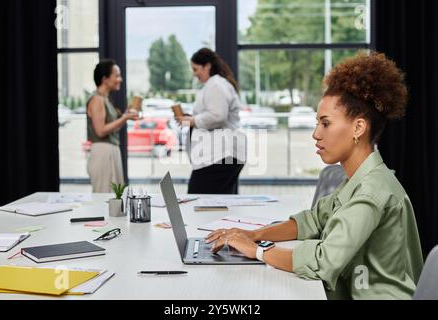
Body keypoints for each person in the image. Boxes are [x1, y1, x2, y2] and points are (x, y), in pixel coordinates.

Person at [205, 52, 424, 299]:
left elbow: (325, 261)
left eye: (326, 123)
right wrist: (255, 234)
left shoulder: (371, 192)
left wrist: (257, 251)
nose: (316, 134)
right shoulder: (358, 180)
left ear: (358, 128)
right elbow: (312, 221)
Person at [176, 48, 246, 194]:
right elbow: (213, 113)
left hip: (219, 156)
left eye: (196, 69)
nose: (194, 74)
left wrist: (193, 121)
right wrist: (192, 119)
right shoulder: (217, 84)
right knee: (221, 202)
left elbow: (218, 116)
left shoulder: (215, 85)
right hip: (222, 155)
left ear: (207, 66)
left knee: (198, 198)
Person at [86, 59, 138, 193]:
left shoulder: (104, 99)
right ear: (105, 79)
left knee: (115, 198)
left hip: (110, 151)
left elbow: (110, 129)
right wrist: (124, 118)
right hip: (103, 153)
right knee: (104, 199)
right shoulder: (97, 99)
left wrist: (124, 117)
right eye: (117, 75)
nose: (120, 79)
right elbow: (101, 131)